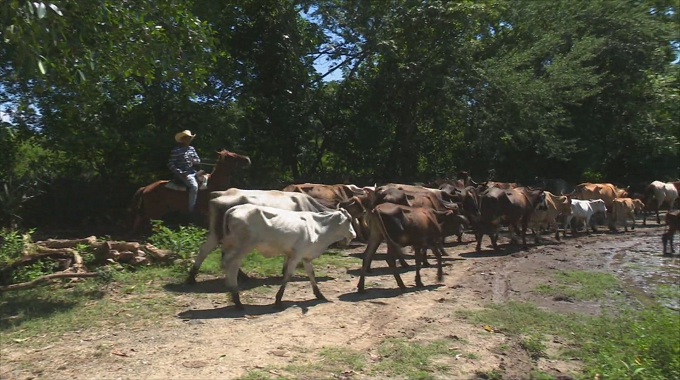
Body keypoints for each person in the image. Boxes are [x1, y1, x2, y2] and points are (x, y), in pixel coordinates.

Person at [168, 130, 201, 215]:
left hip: (193, 172)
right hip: (184, 173)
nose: (188, 140)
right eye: (186, 138)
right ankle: (191, 210)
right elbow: (171, 164)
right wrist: (180, 172)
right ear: (182, 139)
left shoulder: (192, 149)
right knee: (194, 186)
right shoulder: (176, 150)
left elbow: (198, 160)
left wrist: (194, 161)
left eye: (189, 138)